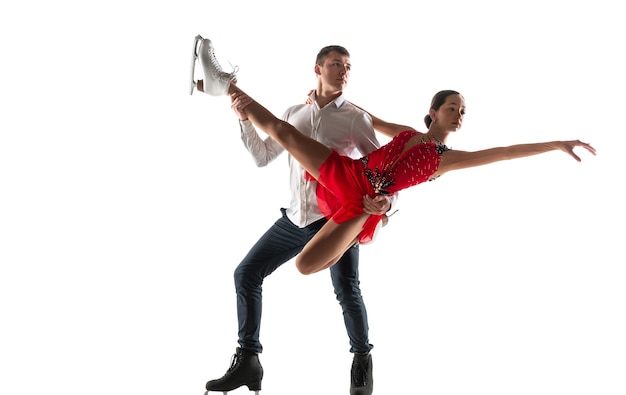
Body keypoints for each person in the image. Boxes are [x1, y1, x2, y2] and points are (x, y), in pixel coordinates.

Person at [193, 35, 597, 278]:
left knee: (304, 266)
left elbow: (504, 152)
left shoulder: (443, 160)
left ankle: (354, 231)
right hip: (347, 172)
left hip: (361, 205)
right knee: (284, 129)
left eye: (463, 111)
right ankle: (223, 83)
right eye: (452, 107)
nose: (458, 115)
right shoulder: (405, 133)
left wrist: (557, 144)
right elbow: (365, 114)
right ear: (434, 111)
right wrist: (317, 100)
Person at [189, 35, 402, 395]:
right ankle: (248, 361)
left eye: (349, 67)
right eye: (337, 64)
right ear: (317, 69)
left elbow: (384, 170)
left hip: (335, 222)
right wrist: (244, 121)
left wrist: (384, 202)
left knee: (346, 289)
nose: (344, 72)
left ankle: (362, 357)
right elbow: (262, 156)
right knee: (246, 273)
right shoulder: (293, 114)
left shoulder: (355, 119)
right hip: (294, 219)